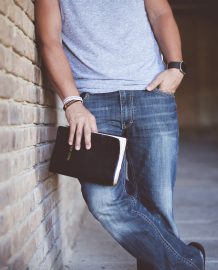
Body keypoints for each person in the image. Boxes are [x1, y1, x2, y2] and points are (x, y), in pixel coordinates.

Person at [35, 0, 205, 269]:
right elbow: (49, 41)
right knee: (103, 201)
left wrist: (176, 67)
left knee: (158, 202)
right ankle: (187, 263)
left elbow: (160, 12)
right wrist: (72, 102)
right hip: (93, 103)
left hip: (152, 95)